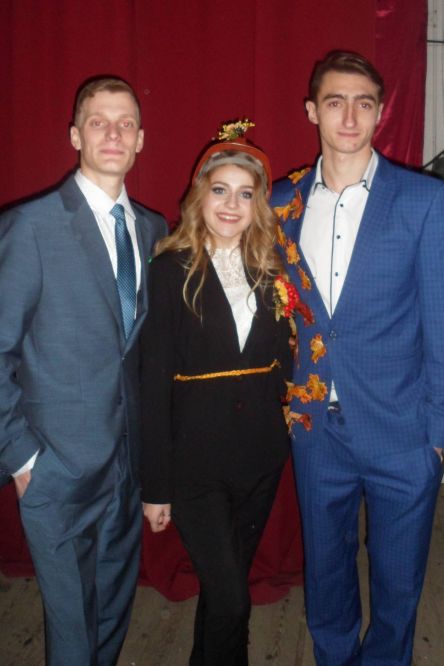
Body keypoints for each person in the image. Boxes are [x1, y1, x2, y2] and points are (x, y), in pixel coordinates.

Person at [271, 50, 444, 665]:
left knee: (399, 583)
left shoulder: (424, 201)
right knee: (326, 574)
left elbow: (440, 322)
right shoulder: (280, 202)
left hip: (402, 432)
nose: (350, 116)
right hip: (317, 429)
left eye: (364, 103)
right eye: (336, 102)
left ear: (379, 113)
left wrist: (438, 434)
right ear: (312, 110)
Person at [0, 76, 167, 665]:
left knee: (112, 614)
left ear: (141, 139)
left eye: (126, 123)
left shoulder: (153, 229)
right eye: (99, 122)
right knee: (72, 632)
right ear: (75, 135)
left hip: (126, 469)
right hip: (57, 470)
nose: (113, 133)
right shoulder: (31, 227)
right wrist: (23, 459)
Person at [139, 121, 293, 665]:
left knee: (223, 593)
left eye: (245, 194)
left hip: (260, 457)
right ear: (199, 194)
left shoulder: (271, 268)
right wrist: (155, 485)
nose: (231, 204)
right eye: (220, 189)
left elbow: (286, 360)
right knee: (232, 601)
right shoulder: (168, 270)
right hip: (194, 463)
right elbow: (151, 382)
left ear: (258, 204)